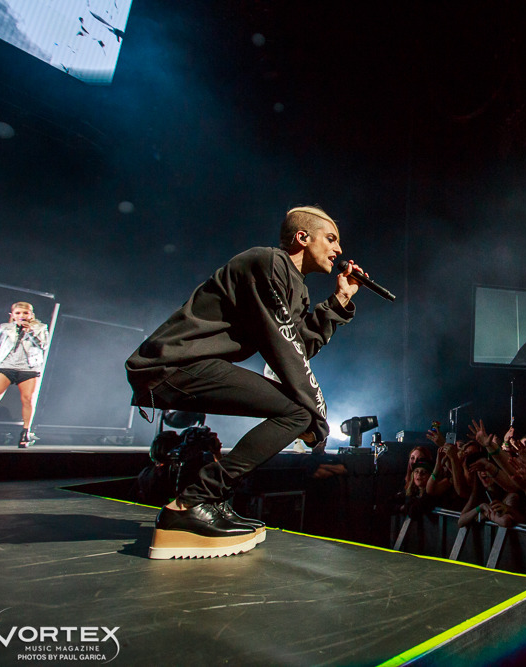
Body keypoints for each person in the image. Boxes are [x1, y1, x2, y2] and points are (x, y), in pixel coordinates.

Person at [125, 205, 362, 559]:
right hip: (172, 363)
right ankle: (193, 502)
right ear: (302, 237)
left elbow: (298, 346)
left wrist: (341, 300)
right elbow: (285, 349)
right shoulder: (266, 263)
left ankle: (208, 503)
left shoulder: (296, 286)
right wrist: (316, 414)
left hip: (192, 365)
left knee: (299, 412)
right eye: (331, 239)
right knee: (299, 413)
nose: (339, 250)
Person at [0, 301, 49, 448]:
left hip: (28, 368)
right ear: (12, 315)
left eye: (25, 313)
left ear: (31, 315)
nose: (22, 316)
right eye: (18, 313)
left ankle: (25, 432)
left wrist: (31, 333)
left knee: (27, 399)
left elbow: (44, 345)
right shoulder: (5, 328)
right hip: (5, 366)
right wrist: (1, 356)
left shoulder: (40, 328)